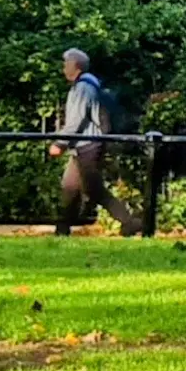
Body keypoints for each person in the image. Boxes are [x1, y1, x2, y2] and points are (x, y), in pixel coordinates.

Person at [50, 48, 136, 237]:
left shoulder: (83, 88)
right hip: (83, 145)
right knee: (70, 187)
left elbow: (75, 121)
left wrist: (60, 143)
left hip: (88, 145)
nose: (64, 68)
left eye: (66, 64)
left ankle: (130, 222)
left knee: (94, 189)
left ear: (76, 66)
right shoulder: (86, 86)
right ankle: (62, 230)